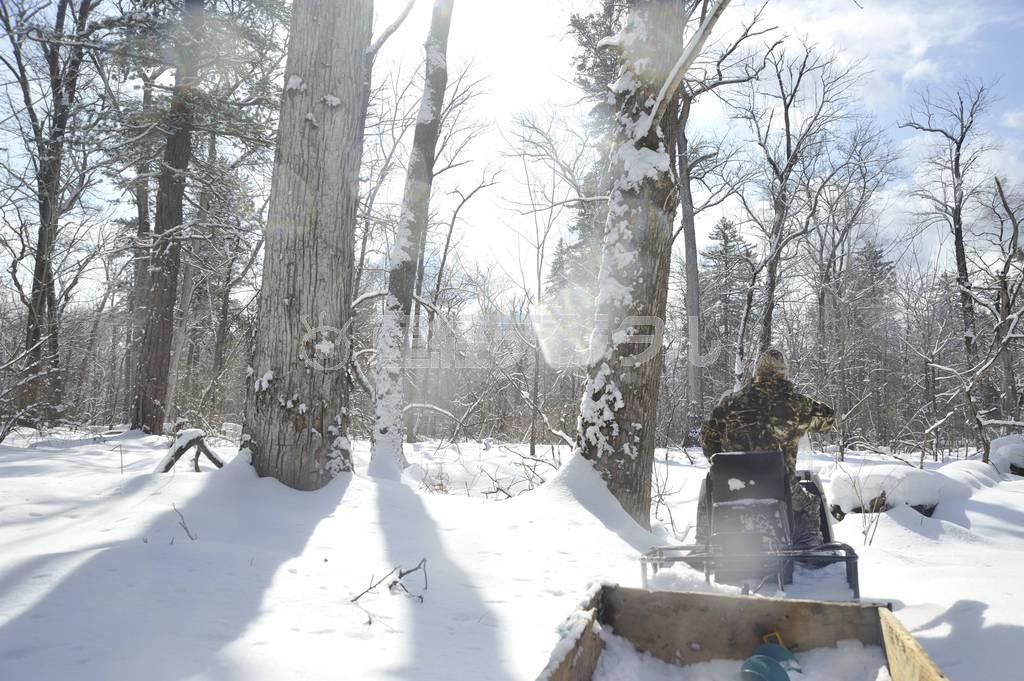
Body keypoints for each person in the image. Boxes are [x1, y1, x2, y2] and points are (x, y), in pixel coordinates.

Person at [697, 348, 835, 548]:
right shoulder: (797, 404)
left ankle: (702, 543)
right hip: (781, 487)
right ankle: (808, 548)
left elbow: (708, 440)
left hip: (733, 487)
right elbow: (828, 417)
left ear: (757, 371)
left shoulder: (730, 403)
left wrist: (723, 461)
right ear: (783, 372)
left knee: (710, 485)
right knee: (810, 505)